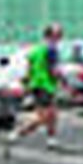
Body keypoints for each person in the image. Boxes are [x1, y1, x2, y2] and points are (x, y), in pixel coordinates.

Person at [7, 23, 65, 155]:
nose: (60, 37)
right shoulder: (51, 50)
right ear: (51, 36)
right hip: (45, 86)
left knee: (53, 114)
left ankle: (51, 140)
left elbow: (29, 67)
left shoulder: (36, 49)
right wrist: (62, 81)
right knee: (42, 117)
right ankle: (16, 134)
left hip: (38, 85)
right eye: (58, 34)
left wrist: (27, 83)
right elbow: (53, 70)